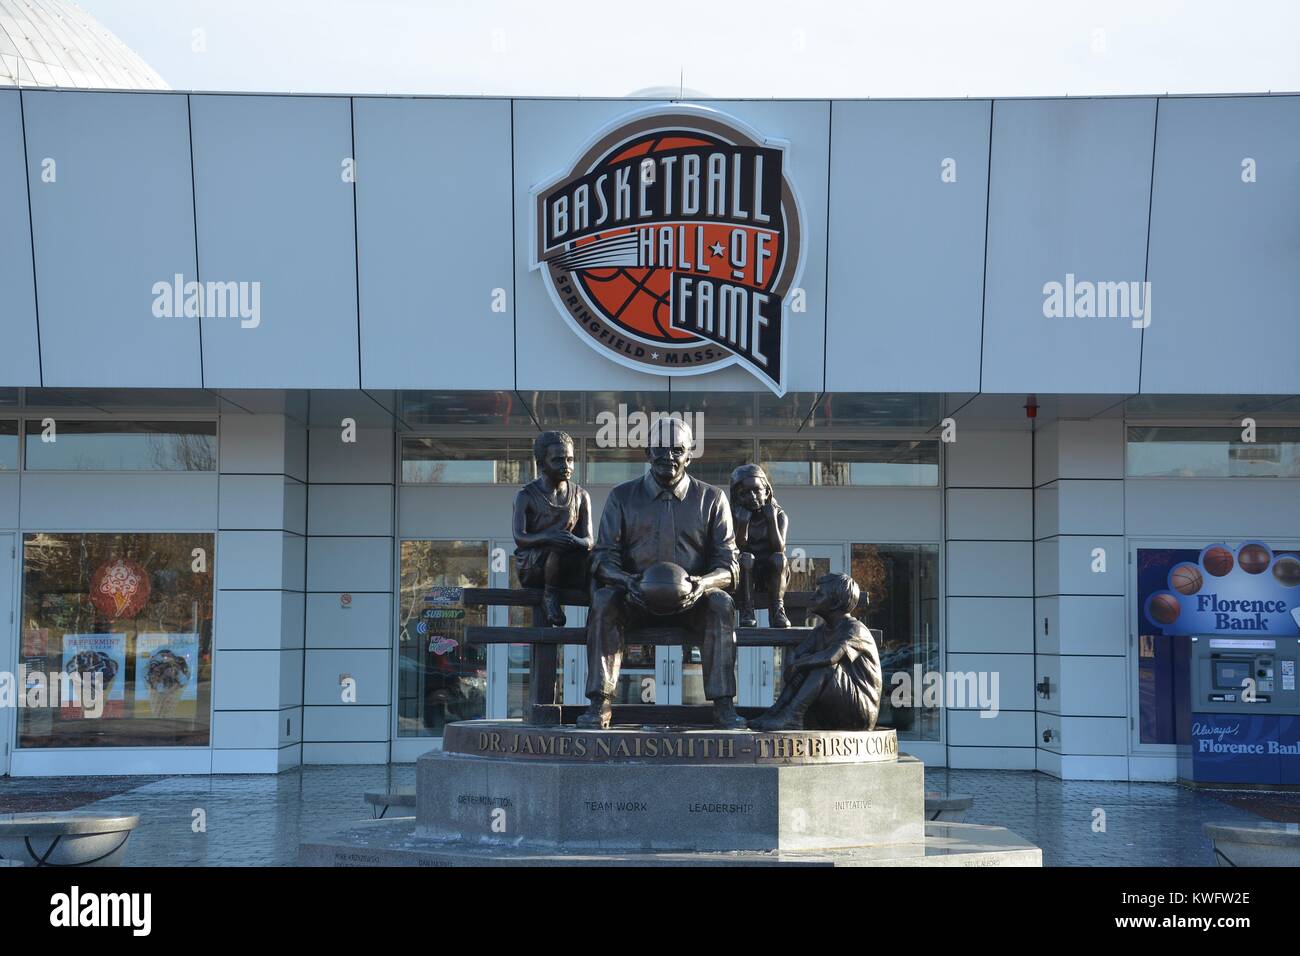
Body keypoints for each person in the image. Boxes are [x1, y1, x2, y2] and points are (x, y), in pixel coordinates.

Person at [578, 416, 745, 730]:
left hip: (692, 602)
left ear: (690, 453)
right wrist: (627, 582)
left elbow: (729, 566)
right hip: (635, 598)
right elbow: (602, 559)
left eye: (676, 449)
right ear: (646, 451)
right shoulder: (621, 497)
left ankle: (724, 706)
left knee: (721, 604)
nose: (667, 455)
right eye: (659, 448)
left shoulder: (712, 499)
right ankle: (599, 703)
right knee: (603, 601)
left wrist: (703, 584)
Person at [748, 572, 882, 731]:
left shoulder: (855, 630)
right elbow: (798, 654)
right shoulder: (820, 631)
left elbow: (831, 657)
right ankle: (777, 711)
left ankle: (793, 716)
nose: (813, 597)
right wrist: (797, 664)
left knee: (824, 667)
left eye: (819, 594)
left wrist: (798, 664)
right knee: (807, 663)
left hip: (860, 712)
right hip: (833, 708)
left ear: (835, 603)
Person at [512, 430, 593, 626]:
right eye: (558, 460)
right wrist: (549, 537)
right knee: (556, 547)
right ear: (541, 464)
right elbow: (519, 537)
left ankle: (599, 607)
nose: (566, 466)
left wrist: (575, 541)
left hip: (567, 561)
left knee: (602, 555)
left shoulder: (581, 495)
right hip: (534, 565)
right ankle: (550, 597)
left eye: (570, 459)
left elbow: (589, 540)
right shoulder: (526, 495)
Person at [730, 464, 791, 628]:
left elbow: (779, 548)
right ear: (737, 497)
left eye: (756, 490)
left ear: (767, 492)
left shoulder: (779, 515)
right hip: (745, 574)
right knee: (745, 558)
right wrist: (742, 524)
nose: (752, 496)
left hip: (772, 573)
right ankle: (747, 609)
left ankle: (777, 609)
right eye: (745, 493)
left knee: (779, 559)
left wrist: (771, 520)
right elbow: (735, 549)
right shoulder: (732, 516)